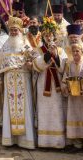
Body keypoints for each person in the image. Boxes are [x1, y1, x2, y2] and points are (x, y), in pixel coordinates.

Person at [0, 17, 36, 149]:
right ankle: (9, 140)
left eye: (16, 30)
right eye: (11, 30)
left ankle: (25, 140)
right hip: (9, 79)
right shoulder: (5, 45)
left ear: (20, 30)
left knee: (25, 108)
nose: (13, 32)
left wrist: (30, 64)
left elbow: (35, 57)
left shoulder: (26, 43)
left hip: (23, 78)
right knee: (9, 110)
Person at [32, 20, 67, 149]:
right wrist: (47, 55)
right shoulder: (38, 49)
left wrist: (56, 55)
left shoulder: (61, 50)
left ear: (54, 35)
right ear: (43, 36)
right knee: (44, 111)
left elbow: (63, 67)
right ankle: (44, 142)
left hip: (56, 83)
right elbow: (36, 65)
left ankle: (58, 142)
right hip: (43, 83)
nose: (48, 37)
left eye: (50, 34)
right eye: (46, 34)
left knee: (57, 110)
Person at [62, 43, 83, 156]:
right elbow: (64, 80)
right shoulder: (68, 65)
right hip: (73, 98)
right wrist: (66, 87)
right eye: (74, 51)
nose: (76, 53)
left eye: (78, 51)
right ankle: (77, 144)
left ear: (82, 52)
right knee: (74, 117)